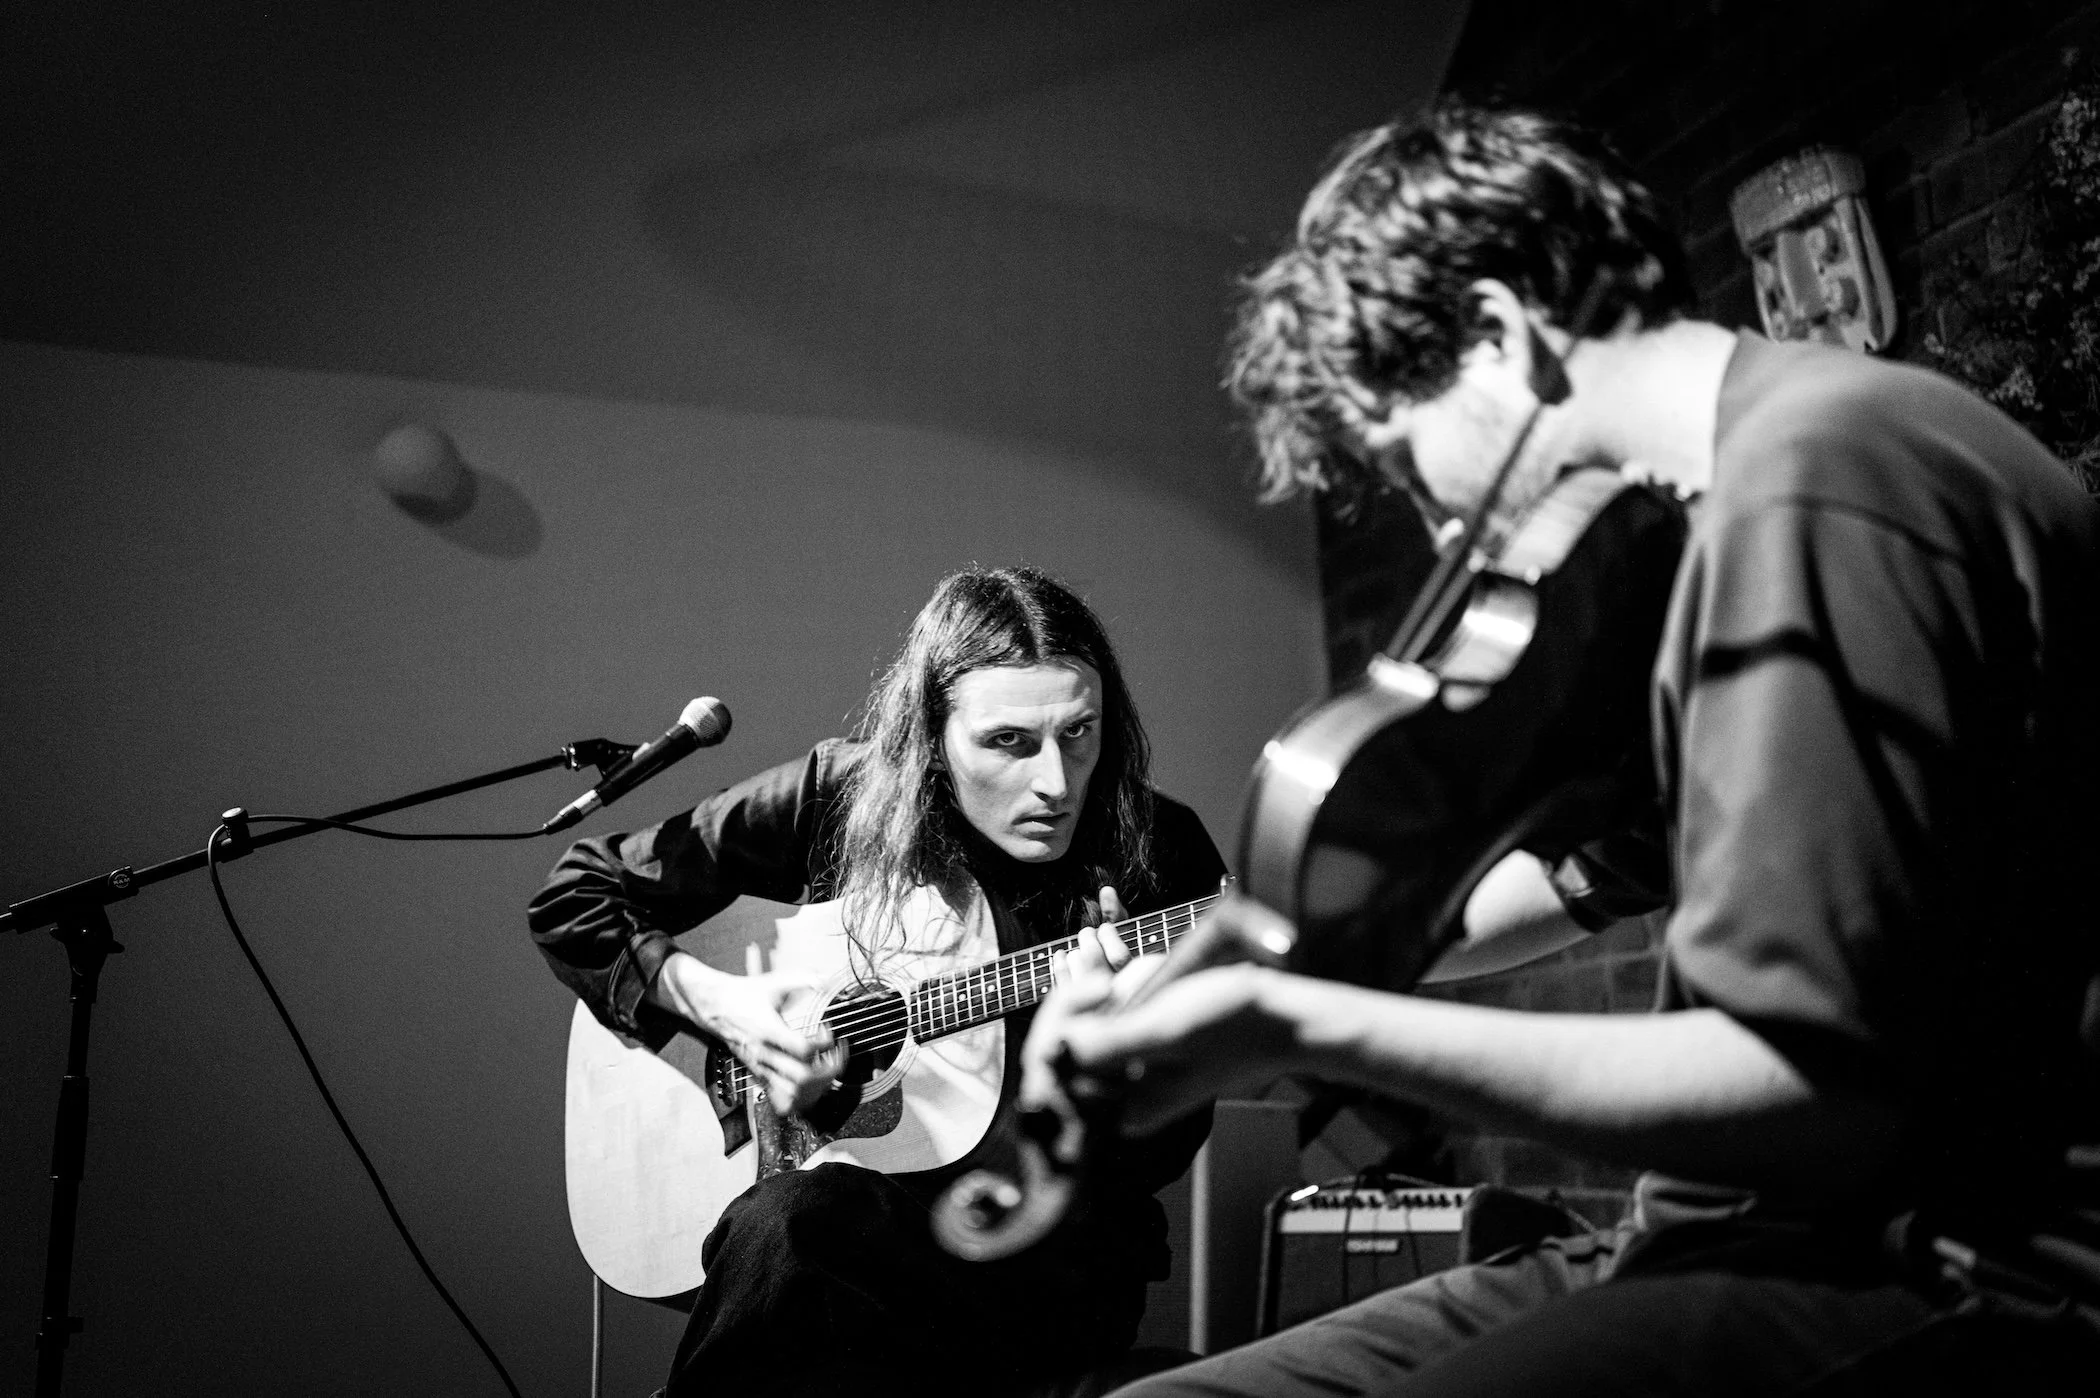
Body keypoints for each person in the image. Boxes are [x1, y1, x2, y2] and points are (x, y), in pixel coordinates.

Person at [1024, 99, 2100, 1395]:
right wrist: (1211, 968)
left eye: (1411, 469)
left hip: (1949, 1258)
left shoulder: (1815, 480)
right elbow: (1567, 877)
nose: (1444, 533)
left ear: (1498, 332)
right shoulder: (1732, 511)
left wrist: (1299, 1023)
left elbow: (1807, 1089)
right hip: (1727, 1234)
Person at [528, 565, 1226, 1398]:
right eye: (1008, 742)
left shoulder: (1160, 854)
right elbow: (575, 895)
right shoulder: (845, 796)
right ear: (931, 736)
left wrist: (1108, 1065)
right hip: (825, 1234)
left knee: (796, 1229)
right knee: (795, 1223)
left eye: (1079, 732)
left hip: (1041, 1260)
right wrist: (726, 1009)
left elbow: (1162, 1153)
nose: (1055, 780)